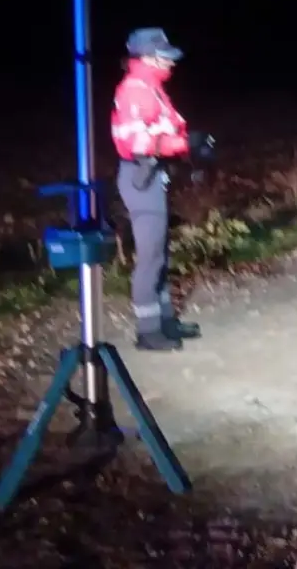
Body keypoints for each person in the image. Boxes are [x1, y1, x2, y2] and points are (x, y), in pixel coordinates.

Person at [110, 28, 203, 352]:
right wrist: (181, 143)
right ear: (148, 57)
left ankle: (164, 321)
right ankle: (148, 332)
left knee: (160, 253)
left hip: (152, 176)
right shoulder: (135, 91)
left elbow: (168, 129)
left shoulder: (152, 88)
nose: (171, 63)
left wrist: (192, 144)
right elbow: (134, 142)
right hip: (141, 177)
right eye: (165, 57)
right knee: (150, 256)